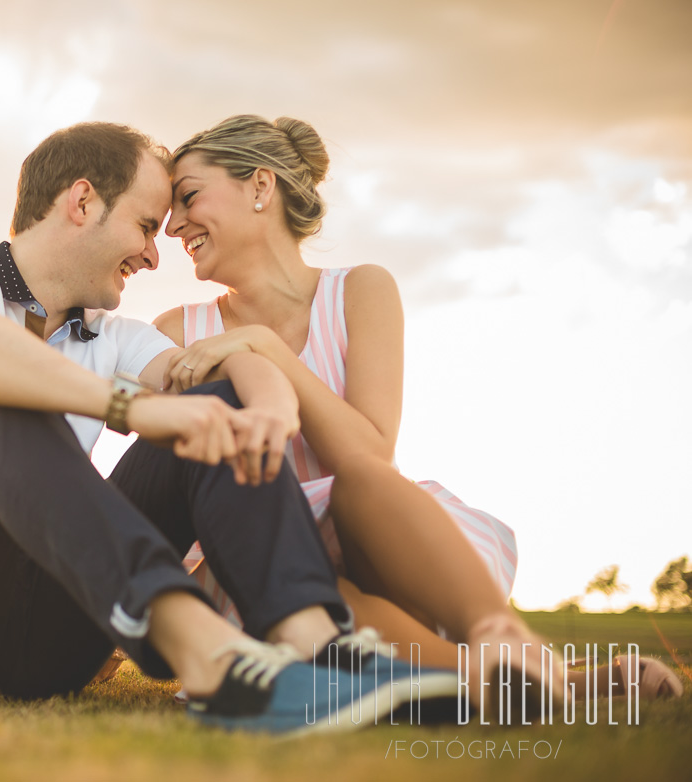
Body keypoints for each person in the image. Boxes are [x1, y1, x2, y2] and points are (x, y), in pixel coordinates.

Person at [0, 121, 448, 737]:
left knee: (215, 402)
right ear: (82, 202)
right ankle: (213, 659)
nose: (152, 252)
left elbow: (234, 370)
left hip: (38, 645)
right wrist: (130, 408)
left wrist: (271, 410)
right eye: (144, 225)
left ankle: (317, 649)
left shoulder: (114, 339)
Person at [154, 113, 683, 704]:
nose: (173, 225)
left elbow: (368, 451)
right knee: (324, 601)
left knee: (360, 481)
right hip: (271, 562)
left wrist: (268, 349)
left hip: (378, 530)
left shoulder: (360, 290)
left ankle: (504, 639)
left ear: (259, 186)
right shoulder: (178, 332)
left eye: (189, 197)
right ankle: (555, 686)